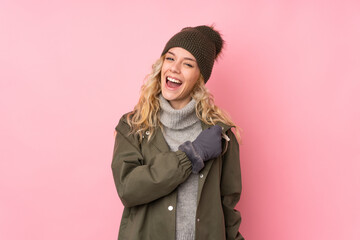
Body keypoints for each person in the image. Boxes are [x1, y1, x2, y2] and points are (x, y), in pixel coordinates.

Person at [111, 25, 245, 240]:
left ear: (200, 77)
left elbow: (227, 206)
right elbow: (129, 189)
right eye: (170, 58)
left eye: (188, 64)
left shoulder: (221, 134)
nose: (174, 68)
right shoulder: (133, 126)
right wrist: (192, 155)